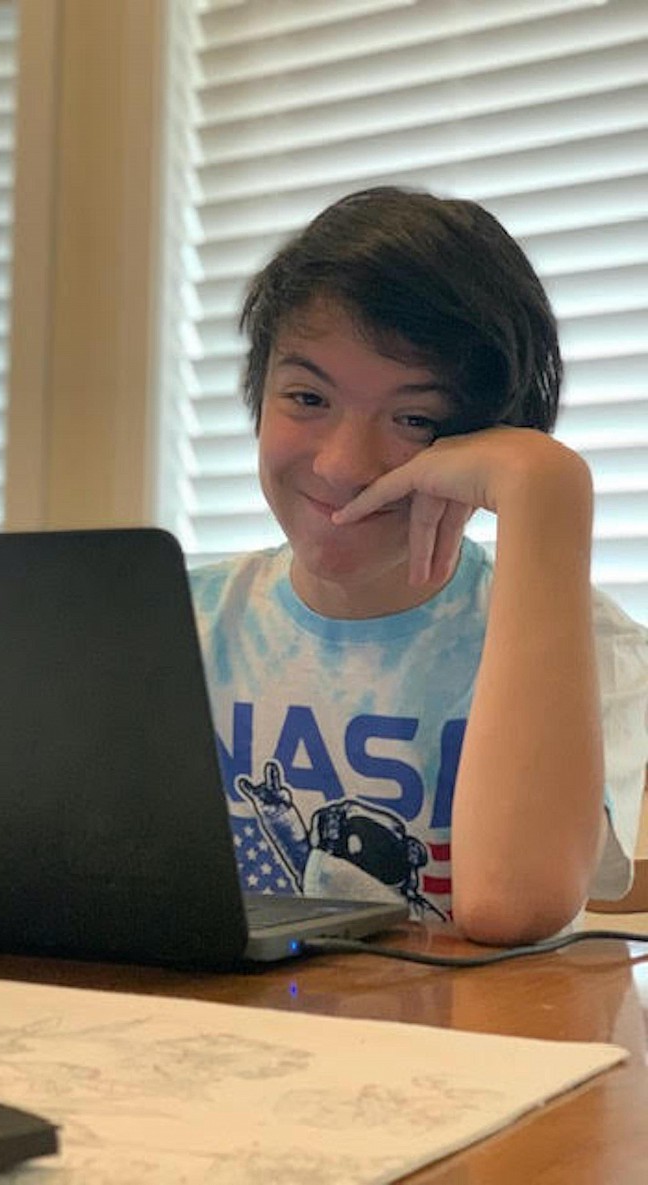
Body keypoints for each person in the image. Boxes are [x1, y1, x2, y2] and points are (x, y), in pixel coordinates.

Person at [189, 186, 648, 946]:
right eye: (306, 396)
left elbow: (511, 907)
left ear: (486, 440)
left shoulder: (592, 652)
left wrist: (547, 490)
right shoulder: (176, 626)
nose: (341, 467)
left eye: (415, 419)